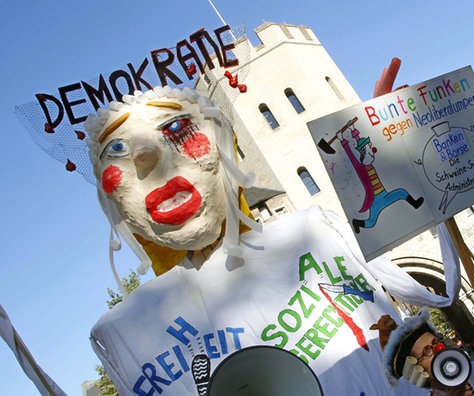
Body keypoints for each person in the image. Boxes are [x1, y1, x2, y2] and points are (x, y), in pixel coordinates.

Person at [84, 87, 446, 396]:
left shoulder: (313, 231)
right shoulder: (135, 328)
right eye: (116, 149)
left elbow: (402, 314)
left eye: (177, 127)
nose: (146, 155)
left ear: (225, 142)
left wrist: (396, 153)